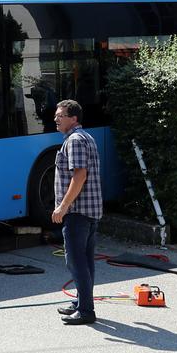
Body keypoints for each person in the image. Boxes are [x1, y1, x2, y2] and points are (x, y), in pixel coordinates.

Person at [52, 99, 105, 326]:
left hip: (77, 212)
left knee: (76, 262)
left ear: (74, 118)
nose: (56, 119)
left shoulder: (74, 140)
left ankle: (85, 310)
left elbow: (79, 175)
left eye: (60, 115)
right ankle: (82, 302)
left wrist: (62, 207)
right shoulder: (86, 137)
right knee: (85, 261)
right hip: (90, 211)